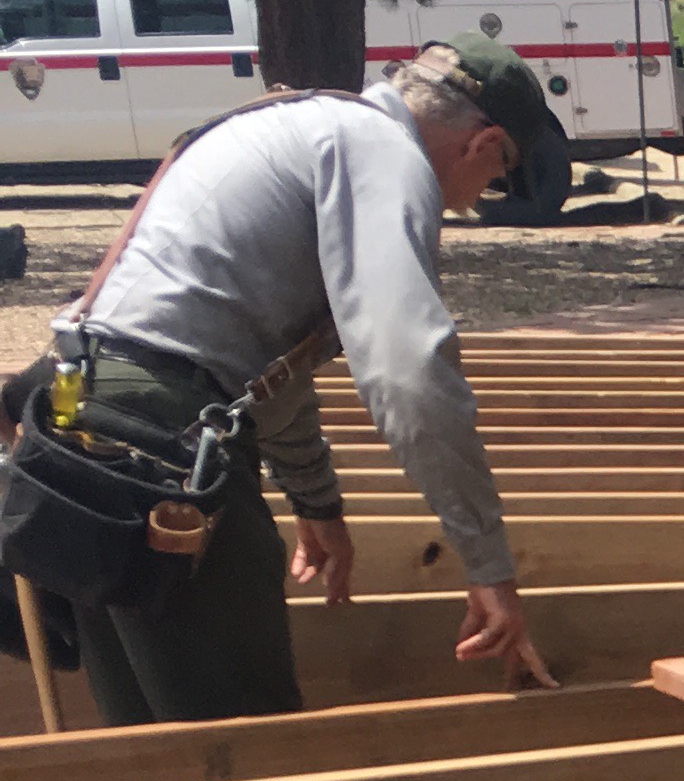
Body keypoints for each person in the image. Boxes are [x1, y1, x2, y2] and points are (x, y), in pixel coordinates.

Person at [40, 44, 555, 721]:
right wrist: (488, 564)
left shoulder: (299, 122)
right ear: (483, 143)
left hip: (80, 421)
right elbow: (409, 372)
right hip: (166, 451)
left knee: (148, 747)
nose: (480, 198)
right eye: (499, 175)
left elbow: (252, 361)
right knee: (246, 746)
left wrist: (315, 503)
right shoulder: (385, 156)